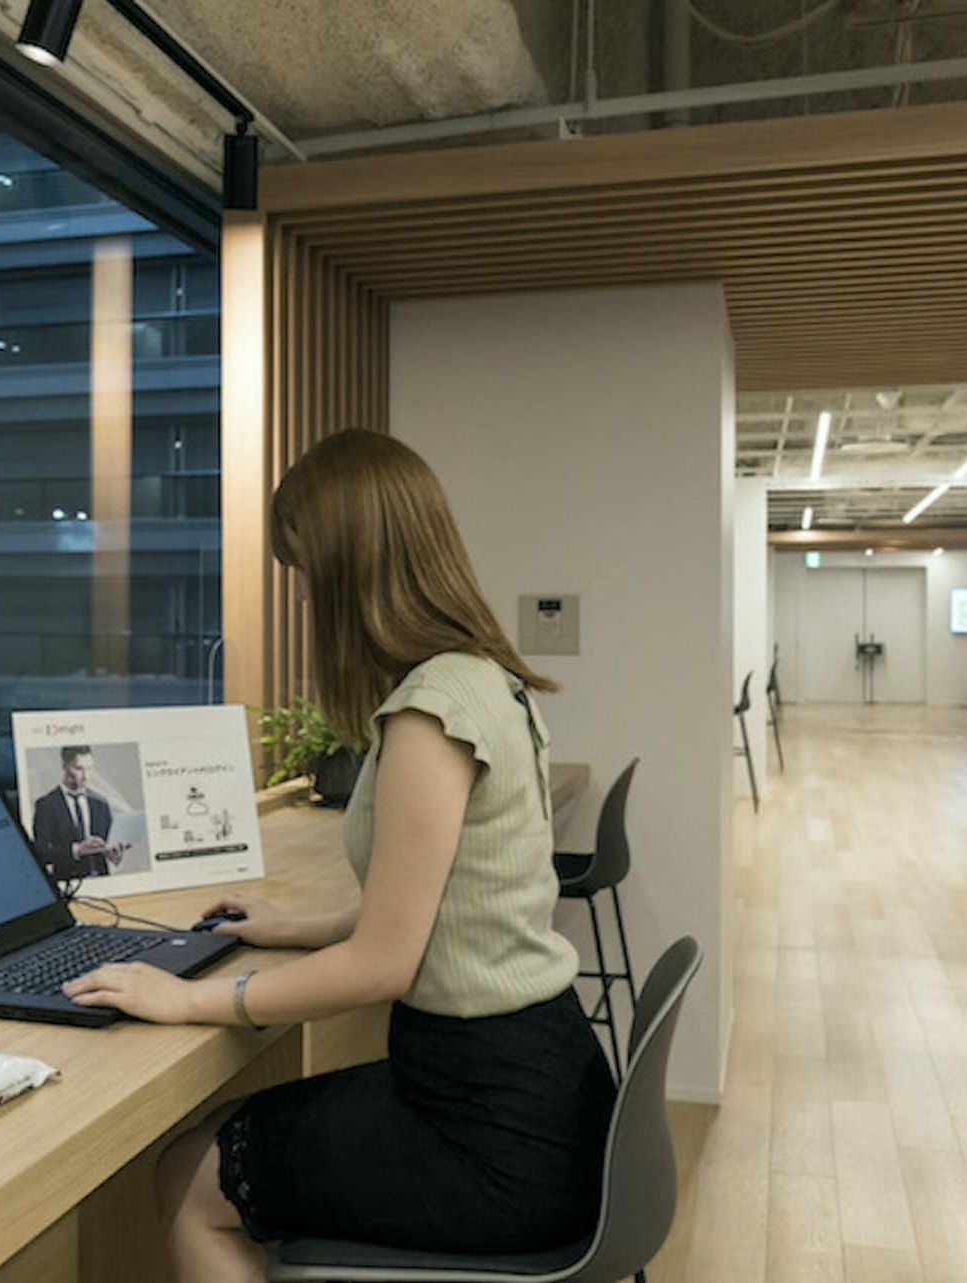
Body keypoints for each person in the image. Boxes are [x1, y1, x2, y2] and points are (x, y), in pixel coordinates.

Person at [61, 430, 615, 1282]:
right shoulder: (485, 679)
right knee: (227, 1148)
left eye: (307, 572)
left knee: (189, 1179)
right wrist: (295, 925)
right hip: (541, 1084)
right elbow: (446, 900)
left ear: (353, 569)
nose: (306, 597)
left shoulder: (430, 712)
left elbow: (383, 964)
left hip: (489, 1127)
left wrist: (194, 999)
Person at [31, 745, 129, 879]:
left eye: (90, 768)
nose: (86, 776)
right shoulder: (46, 805)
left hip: (103, 880)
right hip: (68, 883)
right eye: (78, 768)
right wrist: (77, 849)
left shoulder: (101, 802)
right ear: (64, 766)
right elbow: (40, 853)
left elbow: (108, 844)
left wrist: (115, 854)